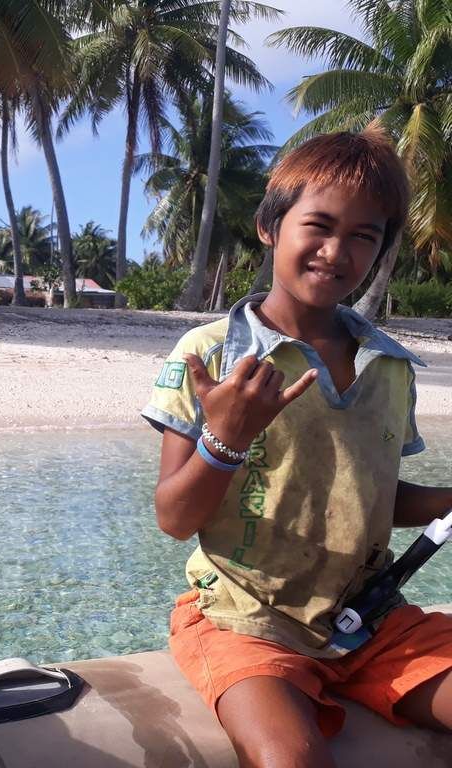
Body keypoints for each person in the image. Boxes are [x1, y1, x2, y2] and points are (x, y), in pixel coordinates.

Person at [142, 125, 452, 768]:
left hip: (370, 617)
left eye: (364, 236)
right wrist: (225, 440)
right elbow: (174, 517)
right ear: (269, 226)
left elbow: (374, 497)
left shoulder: (390, 367)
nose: (336, 251)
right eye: (319, 225)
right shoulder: (210, 354)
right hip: (243, 618)